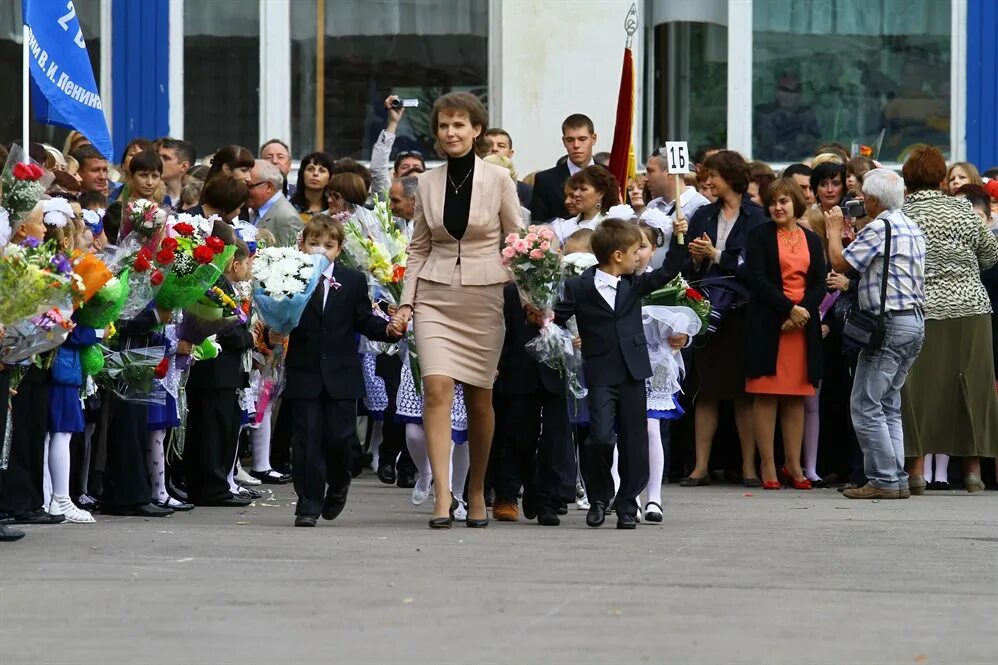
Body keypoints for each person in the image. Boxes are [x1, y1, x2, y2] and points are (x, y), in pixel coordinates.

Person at [388, 91, 523, 529]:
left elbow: (517, 244)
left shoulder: (500, 180)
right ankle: (442, 495)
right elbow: (418, 249)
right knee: (437, 388)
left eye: (459, 124)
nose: (451, 132)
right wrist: (407, 303)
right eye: (444, 125)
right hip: (435, 297)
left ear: (476, 130)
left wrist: (532, 298)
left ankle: (478, 489)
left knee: (481, 399)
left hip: (485, 298)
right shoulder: (426, 183)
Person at [552, 219, 680, 529]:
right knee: (599, 437)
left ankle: (626, 503)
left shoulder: (634, 285)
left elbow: (669, 271)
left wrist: (679, 235)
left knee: (635, 440)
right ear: (618, 256)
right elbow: (556, 318)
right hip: (599, 372)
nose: (640, 257)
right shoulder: (579, 286)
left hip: (633, 372)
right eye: (636, 251)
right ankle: (599, 497)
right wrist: (561, 335)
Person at [280, 215, 399, 527]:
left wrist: (389, 330)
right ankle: (307, 502)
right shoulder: (289, 276)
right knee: (305, 441)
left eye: (328, 246)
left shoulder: (352, 280)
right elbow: (279, 316)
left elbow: (363, 319)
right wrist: (272, 331)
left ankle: (340, 480)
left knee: (339, 439)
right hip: (305, 370)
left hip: (341, 374)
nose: (321, 251)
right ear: (302, 245)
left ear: (339, 249)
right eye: (314, 244)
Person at [898, 147, 998, 494]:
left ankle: (915, 472)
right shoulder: (962, 209)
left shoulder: (903, 213)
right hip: (971, 309)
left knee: (917, 391)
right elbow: (991, 253)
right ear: (942, 178)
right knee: (970, 387)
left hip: (922, 310)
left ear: (907, 181)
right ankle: (972, 472)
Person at [824, 168, 926, 500]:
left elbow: (840, 264)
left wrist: (833, 230)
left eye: (864, 196)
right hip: (914, 322)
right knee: (888, 403)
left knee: (866, 404)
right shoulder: (911, 226)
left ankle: (883, 479)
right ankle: (895, 478)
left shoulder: (880, 227)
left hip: (888, 326)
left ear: (873, 199)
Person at [745, 179, 827, 490]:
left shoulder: (811, 239)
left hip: (801, 327)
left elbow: (819, 281)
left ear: (796, 203)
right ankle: (767, 463)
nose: (777, 207)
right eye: (772, 202)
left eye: (784, 201)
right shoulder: (759, 236)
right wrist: (788, 309)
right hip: (769, 323)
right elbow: (757, 279)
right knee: (766, 394)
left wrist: (802, 311)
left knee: (796, 398)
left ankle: (794, 464)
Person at [491, 281, 573, 526]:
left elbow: (577, 320)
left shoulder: (566, 285)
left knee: (554, 438)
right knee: (519, 436)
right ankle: (515, 491)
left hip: (556, 369)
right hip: (519, 369)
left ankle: (547, 501)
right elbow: (501, 331)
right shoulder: (510, 291)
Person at [184, 240, 255, 507]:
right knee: (213, 432)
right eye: (246, 261)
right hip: (216, 373)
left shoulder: (223, 284)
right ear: (233, 261)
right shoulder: (217, 285)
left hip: (222, 374)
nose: (248, 267)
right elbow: (226, 329)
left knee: (219, 429)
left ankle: (217, 484)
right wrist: (252, 338)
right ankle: (212, 487)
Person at [530, 114, 598, 222]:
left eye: (582, 139)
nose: (576, 145)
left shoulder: (612, 174)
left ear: (593, 139)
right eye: (570, 140)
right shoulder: (545, 180)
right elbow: (538, 224)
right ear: (564, 141)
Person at [753, 73, 820, 161]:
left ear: (799, 94)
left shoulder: (808, 116)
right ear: (776, 92)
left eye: (792, 91)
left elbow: (814, 143)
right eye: (783, 90)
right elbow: (764, 144)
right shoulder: (765, 115)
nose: (787, 95)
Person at [370, 95, 427, 196]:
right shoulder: (387, 196)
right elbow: (378, 169)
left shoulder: (434, 197)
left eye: (416, 167)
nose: (411, 169)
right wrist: (393, 122)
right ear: (395, 175)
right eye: (405, 167)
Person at [548, 166, 619, 244]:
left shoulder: (614, 225)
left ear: (600, 194)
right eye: (576, 189)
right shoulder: (563, 227)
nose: (576, 194)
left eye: (583, 189)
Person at [249, 160, 302, 246]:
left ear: (269, 186)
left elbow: (288, 256)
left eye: (250, 186)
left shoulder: (287, 218)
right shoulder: (257, 210)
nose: (245, 190)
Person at [484, 128, 533, 208]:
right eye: (488, 146)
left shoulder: (527, 192)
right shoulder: (470, 186)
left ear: (510, 153)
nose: (494, 149)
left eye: (501, 146)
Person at [289, 151, 334, 222]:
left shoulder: (334, 209)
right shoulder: (290, 208)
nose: (315, 174)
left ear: (330, 178)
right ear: (302, 174)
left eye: (322, 170)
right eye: (310, 169)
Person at [159, 138, 196, 209]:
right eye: (158, 157)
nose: (158, 161)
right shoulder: (153, 196)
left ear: (184, 166)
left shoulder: (195, 201)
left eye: (166, 158)